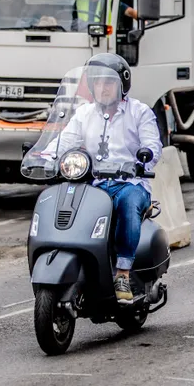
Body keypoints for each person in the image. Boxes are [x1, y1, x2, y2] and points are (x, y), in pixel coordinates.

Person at [51, 53, 162, 304]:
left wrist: (144, 159)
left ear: (122, 85)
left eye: (109, 82)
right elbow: (65, 142)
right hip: (93, 184)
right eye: (97, 82)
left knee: (128, 203)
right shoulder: (84, 113)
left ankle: (122, 272)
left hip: (129, 183)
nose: (102, 88)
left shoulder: (139, 112)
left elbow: (152, 145)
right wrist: (46, 156)